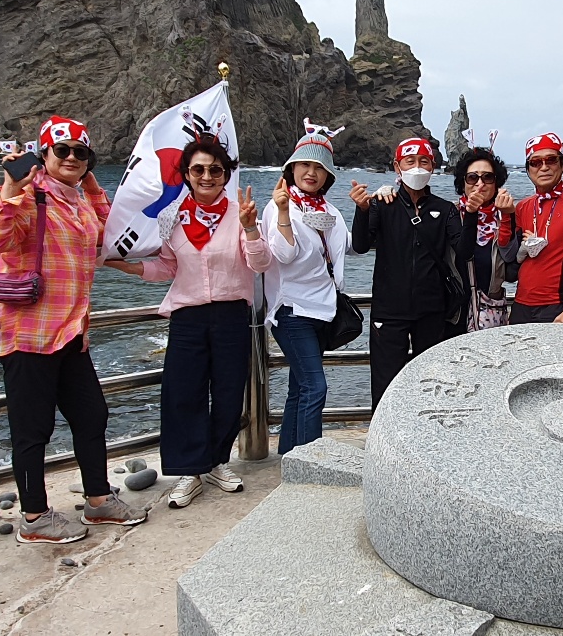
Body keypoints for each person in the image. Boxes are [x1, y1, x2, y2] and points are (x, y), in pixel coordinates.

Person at [0, 116, 148, 544]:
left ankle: (98, 500)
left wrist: (90, 184)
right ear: (44, 154)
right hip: (27, 332)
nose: (72, 157)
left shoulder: (79, 200)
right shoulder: (28, 195)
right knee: (32, 429)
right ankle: (34, 517)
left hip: (72, 331)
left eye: (81, 152)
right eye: (63, 150)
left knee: (92, 415)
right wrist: (11, 187)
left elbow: (111, 234)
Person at [103, 133, 272, 508]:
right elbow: (168, 266)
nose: (207, 176)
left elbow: (260, 264)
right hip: (187, 316)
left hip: (231, 313)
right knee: (184, 393)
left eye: (215, 170)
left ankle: (216, 462)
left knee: (229, 393)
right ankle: (190, 471)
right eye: (199, 170)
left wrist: (250, 228)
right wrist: (130, 268)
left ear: (226, 174)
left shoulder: (240, 213)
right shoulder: (171, 217)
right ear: (187, 174)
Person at [349, 137, 466, 408]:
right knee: (386, 386)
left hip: (432, 310)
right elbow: (361, 245)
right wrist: (362, 210)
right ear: (397, 166)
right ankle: (383, 433)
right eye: (410, 161)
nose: (417, 168)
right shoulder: (382, 203)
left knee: (431, 383)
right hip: (389, 311)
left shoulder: (445, 209)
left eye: (424, 162)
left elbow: (464, 249)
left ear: (433, 166)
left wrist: (470, 214)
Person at [261, 125, 349, 455]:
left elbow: (349, 247)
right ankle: (312, 463)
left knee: (300, 388)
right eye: (305, 165)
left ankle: (290, 457)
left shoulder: (330, 211)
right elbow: (283, 254)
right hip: (292, 310)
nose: (311, 172)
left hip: (323, 310)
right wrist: (284, 212)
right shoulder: (278, 207)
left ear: (328, 176)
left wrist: (370, 209)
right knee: (315, 387)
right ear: (292, 168)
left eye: (319, 167)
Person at [510, 133, 563, 324]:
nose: (544, 167)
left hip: (557, 306)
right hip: (520, 304)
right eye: (535, 162)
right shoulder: (523, 207)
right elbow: (510, 261)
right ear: (528, 169)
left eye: (551, 160)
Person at [449, 145, 519, 335]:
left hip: (490, 310)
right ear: (463, 182)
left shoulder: (505, 215)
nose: (480, 183)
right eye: (473, 177)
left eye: (488, 177)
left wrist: (508, 215)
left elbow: (511, 264)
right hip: (453, 309)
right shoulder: (450, 214)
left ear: (497, 183)